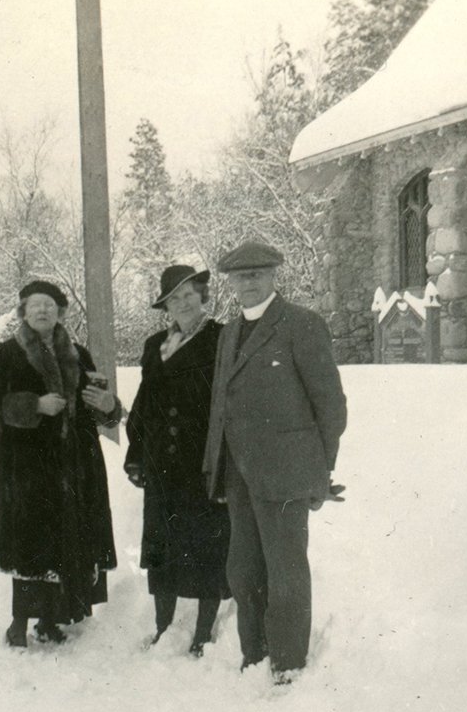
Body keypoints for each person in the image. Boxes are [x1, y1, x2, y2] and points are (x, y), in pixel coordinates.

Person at [202, 241, 347, 683]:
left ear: (273, 276)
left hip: (286, 473)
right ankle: (255, 655)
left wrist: (320, 471)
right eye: (240, 276)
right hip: (240, 474)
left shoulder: (301, 324)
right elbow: (221, 406)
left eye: (257, 274)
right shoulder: (229, 332)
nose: (248, 283)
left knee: (285, 572)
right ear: (230, 281)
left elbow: (331, 405)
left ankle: (286, 664)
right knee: (243, 569)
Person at [0, 279, 123, 648]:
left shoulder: (78, 354)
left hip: (75, 464)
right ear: (23, 312)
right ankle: (18, 622)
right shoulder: (6, 354)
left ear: (60, 312)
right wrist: (34, 405)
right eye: (35, 305)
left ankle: (51, 619)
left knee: (66, 540)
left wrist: (109, 407)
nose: (43, 311)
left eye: (50, 305)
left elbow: (101, 410)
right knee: (28, 543)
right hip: (25, 465)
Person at [124, 264, 232, 657]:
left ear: (203, 296)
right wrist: (136, 454)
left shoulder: (223, 338)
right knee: (162, 548)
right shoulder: (156, 346)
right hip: (161, 464)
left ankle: (203, 633)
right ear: (165, 307)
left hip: (202, 461)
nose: (183, 303)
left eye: (189, 294)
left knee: (207, 547)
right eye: (174, 299)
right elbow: (144, 402)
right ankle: (163, 627)